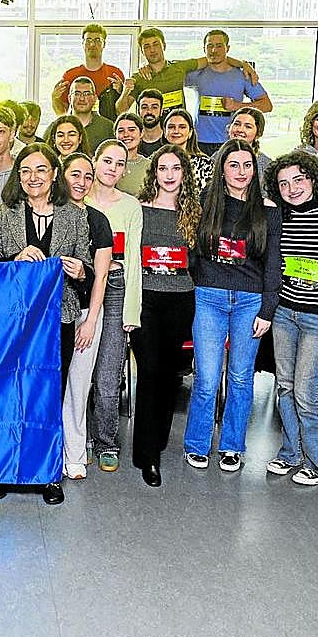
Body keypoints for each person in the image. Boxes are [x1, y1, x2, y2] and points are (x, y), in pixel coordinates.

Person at [0, 141, 93, 505]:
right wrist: (16, 258)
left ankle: (47, 472)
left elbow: (88, 270)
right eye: (26, 171)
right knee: (10, 394)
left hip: (59, 319)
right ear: (18, 176)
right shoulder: (3, 214)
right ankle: (6, 468)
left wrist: (81, 271)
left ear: (54, 174)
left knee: (50, 397)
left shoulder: (76, 216)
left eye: (41, 170)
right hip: (15, 323)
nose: (33, 177)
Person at [183, 139, 281, 472]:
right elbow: (192, 254)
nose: (241, 172)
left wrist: (267, 311)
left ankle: (232, 446)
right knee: (207, 378)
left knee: (241, 378)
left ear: (255, 170)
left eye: (247, 165)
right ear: (221, 169)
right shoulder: (205, 206)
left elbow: (273, 264)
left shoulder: (268, 211)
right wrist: (201, 281)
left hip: (250, 303)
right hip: (208, 297)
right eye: (233, 165)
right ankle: (197, 444)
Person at [262, 151, 318, 487]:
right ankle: (291, 452)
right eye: (283, 183)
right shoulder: (279, 216)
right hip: (285, 313)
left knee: (307, 392)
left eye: (298, 179)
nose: (292, 188)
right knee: (284, 386)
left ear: (313, 178)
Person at [131, 146, 200, 487]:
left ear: (185, 173)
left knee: (171, 376)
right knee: (149, 372)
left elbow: (199, 261)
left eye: (176, 168)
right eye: (162, 168)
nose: (169, 174)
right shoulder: (138, 210)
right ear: (153, 173)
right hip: (145, 300)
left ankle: (157, 438)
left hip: (180, 300)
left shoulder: (195, 214)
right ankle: (148, 457)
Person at [86, 139, 143, 473]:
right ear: (94, 160)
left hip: (118, 287)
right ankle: (81, 439)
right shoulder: (78, 200)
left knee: (109, 373)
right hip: (84, 286)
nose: (112, 168)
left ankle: (107, 441)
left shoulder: (131, 206)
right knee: (81, 371)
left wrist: (131, 309)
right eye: (107, 160)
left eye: (120, 163)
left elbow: (133, 259)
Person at [60, 152, 114, 481]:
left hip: (86, 312)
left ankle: (76, 453)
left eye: (87, 176)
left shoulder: (98, 220)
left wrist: (91, 320)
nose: (81, 182)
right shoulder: (50, 215)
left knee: (79, 387)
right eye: (74, 175)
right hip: (53, 316)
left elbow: (102, 276)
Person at [121, 26, 258, 114]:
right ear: (142, 51)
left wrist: (242, 64)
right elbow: (121, 109)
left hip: (178, 134)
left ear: (164, 46)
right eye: (147, 46)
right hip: (149, 136)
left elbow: (213, 57)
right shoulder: (138, 77)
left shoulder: (180, 67)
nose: (152, 49)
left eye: (156, 44)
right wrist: (125, 91)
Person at [184, 30, 272, 152]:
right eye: (210, 46)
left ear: (228, 48)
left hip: (232, 140)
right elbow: (171, 73)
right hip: (199, 141)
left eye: (219, 46)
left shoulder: (243, 75)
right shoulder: (196, 74)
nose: (214, 50)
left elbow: (267, 105)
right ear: (204, 49)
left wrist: (237, 106)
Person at [52, 24, 125, 118]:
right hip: (78, 130)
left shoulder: (115, 75)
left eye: (97, 40)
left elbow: (122, 112)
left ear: (104, 44)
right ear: (83, 43)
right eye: (88, 40)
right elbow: (62, 114)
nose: (92, 44)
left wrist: (122, 92)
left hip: (109, 131)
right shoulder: (70, 76)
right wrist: (54, 98)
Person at [162, 108, 214, 191]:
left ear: (190, 132)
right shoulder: (155, 161)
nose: (176, 131)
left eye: (182, 127)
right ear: (165, 132)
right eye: (171, 127)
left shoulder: (205, 164)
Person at [67, 76, 116, 155]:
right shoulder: (57, 127)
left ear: (94, 99)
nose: (82, 98)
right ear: (69, 98)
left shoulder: (108, 128)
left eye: (87, 94)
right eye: (77, 94)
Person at [112, 113, 150, 196]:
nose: (126, 134)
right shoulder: (107, 163)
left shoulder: (149, 165)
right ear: (115, 135)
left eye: (132, 130)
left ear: (141, 133)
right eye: (121, 131)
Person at [226, 107, 273, 176]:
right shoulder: (216, 157)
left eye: (248, 127)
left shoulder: (266, 165)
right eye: (237, 124)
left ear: (258, 133)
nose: (240, 129)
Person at [135, 89, 166, 157]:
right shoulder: (132, 143)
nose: (149, 111)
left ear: (161, 111)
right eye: (144, 107)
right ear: (138, 111)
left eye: (154, 107)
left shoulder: (170, 141)